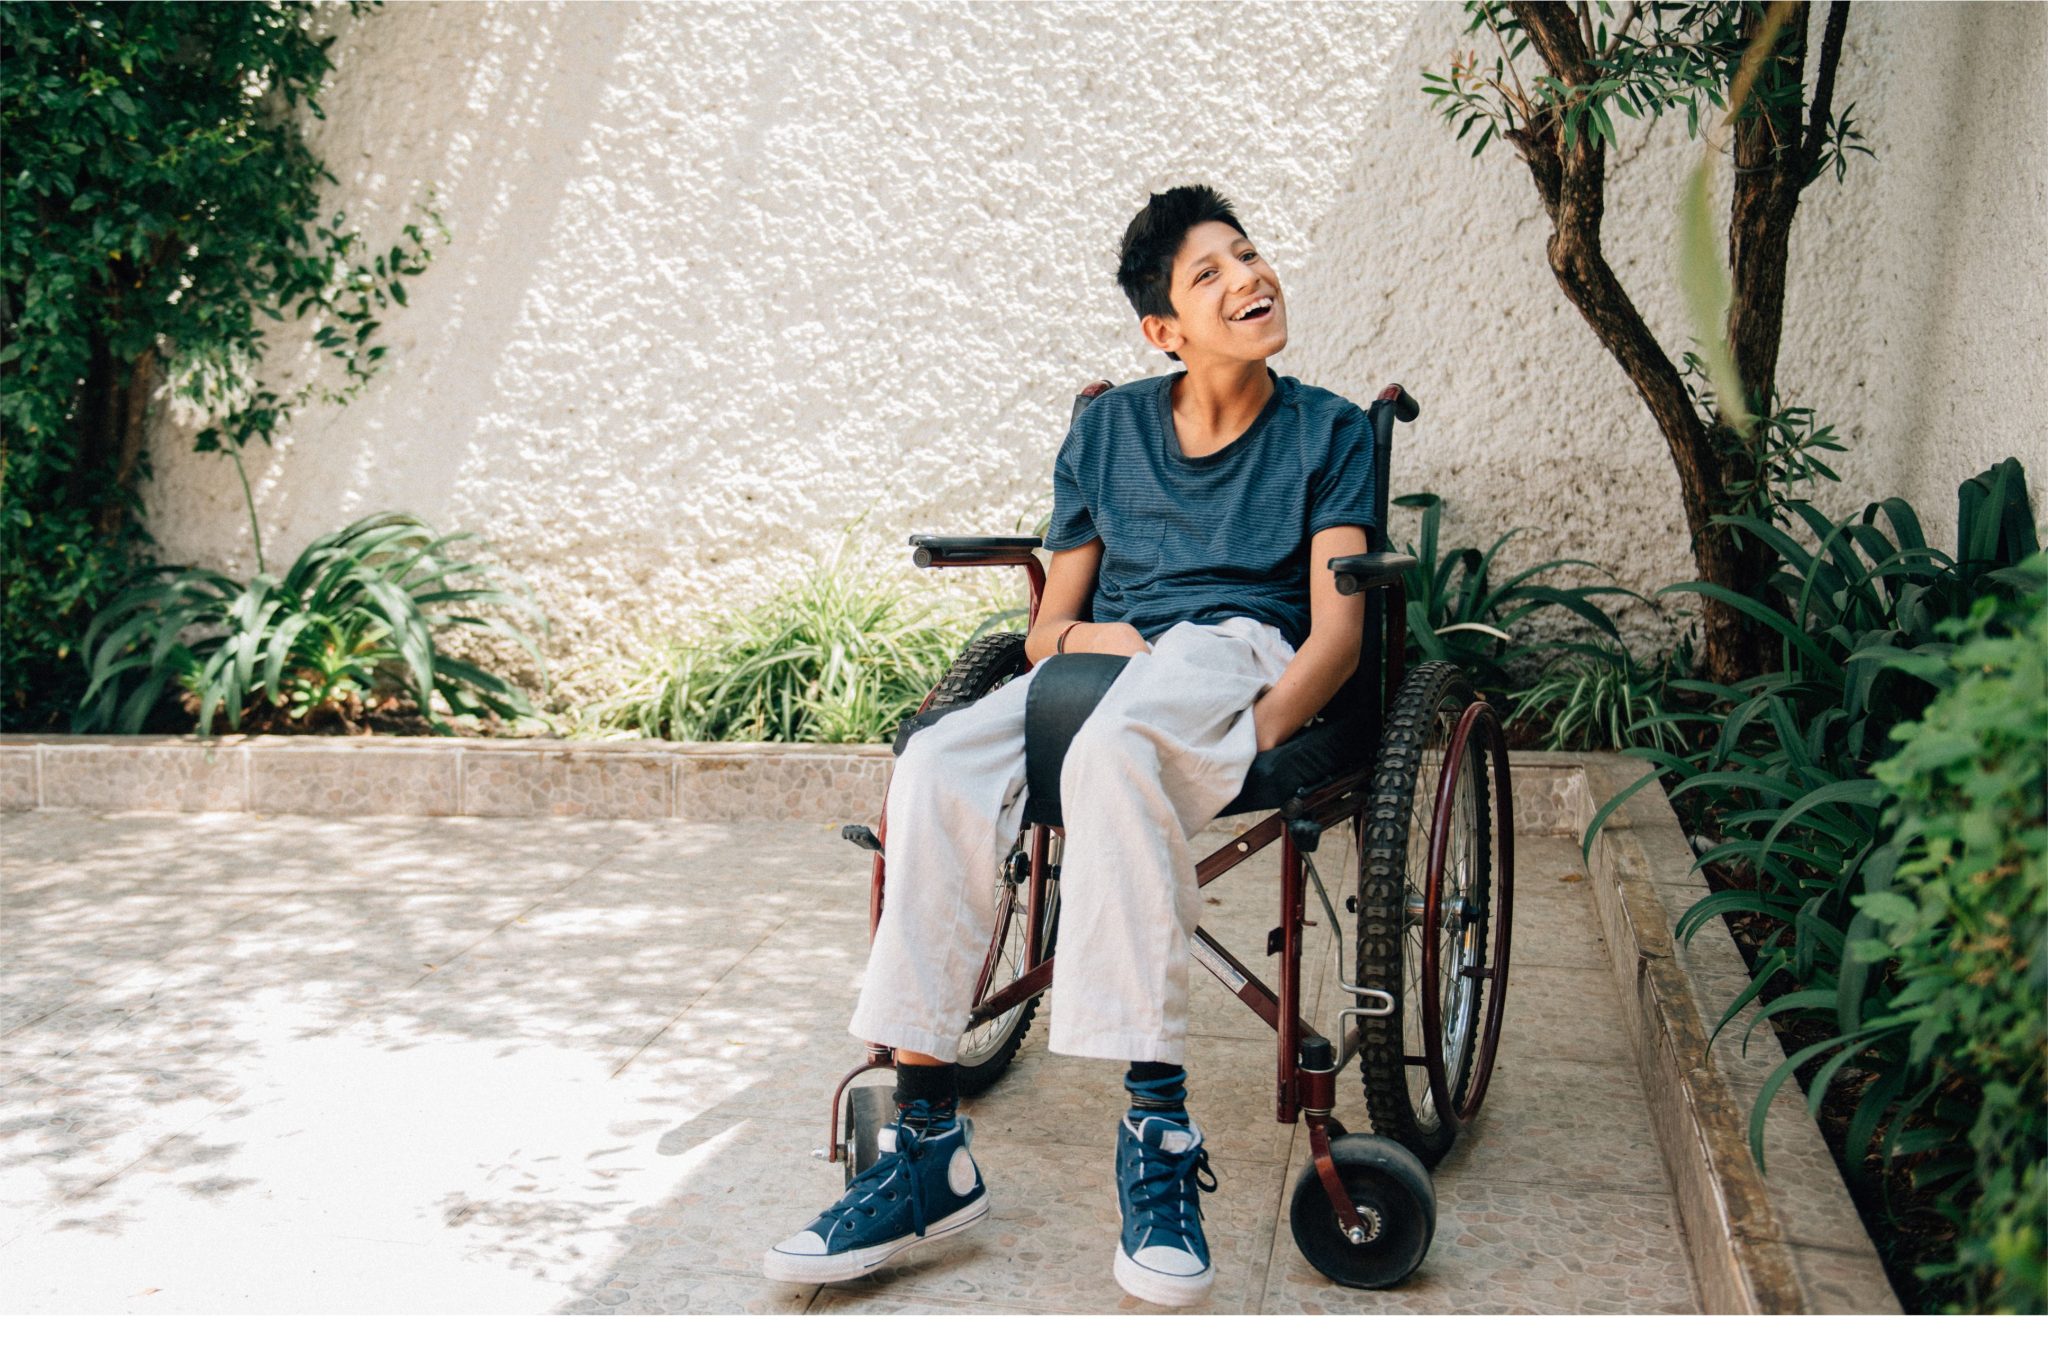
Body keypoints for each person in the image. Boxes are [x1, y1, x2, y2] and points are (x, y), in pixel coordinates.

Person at [762, 184, 1378, 1307]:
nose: (1249, 278)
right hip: (1108, 664)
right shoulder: (1106, 430)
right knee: (936, 765)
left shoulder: (1327, 432)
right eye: (1210, 273)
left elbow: (1336, 635)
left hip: (1234, 652)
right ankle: (926, 1147)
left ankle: (1158, 1130)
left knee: (1113, 752)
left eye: (1248, 255)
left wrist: (1252, 738)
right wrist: (1102, 640)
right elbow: (1049, 631)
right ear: (1163, 330)